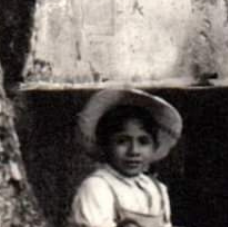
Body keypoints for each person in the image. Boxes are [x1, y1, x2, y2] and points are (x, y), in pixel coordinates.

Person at [70, 88, 183, 227]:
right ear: (105, 144)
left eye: (143, 142)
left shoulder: (157, 189)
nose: (134, 151)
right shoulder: (98, 187)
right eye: (122, 141)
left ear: (155, 146)